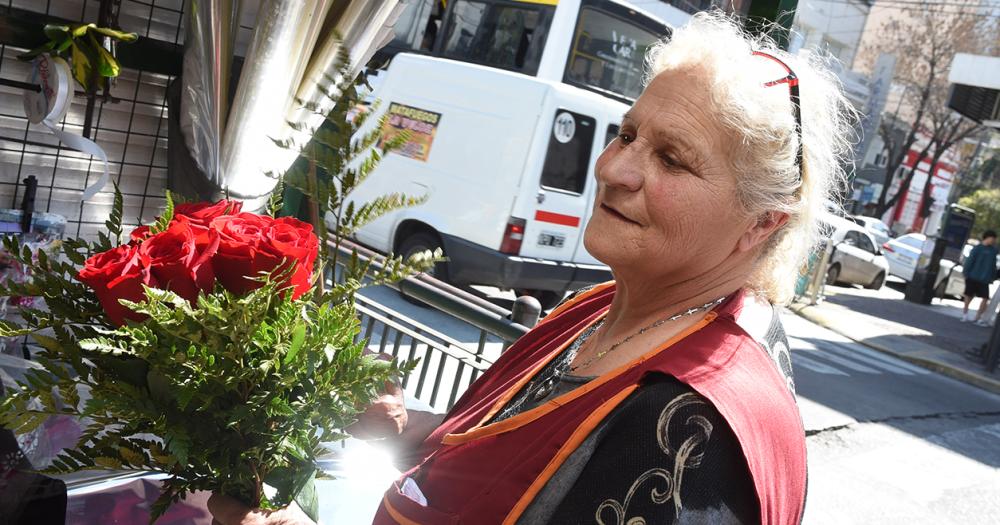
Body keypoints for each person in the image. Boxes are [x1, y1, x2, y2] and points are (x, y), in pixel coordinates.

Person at [208, 12, 857, 525]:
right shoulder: (605, 305)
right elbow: (521, 465)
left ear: (764, 221)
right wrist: (411, 427)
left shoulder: (692, 424)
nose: (614, 169)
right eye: (628, 135)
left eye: (673, 159)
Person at [961, 230, 999, 326]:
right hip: (973, 276)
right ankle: (965, 313)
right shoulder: (977, 249)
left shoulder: (993, 251)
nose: (994, 241)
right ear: (987, 237)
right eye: (993, 238)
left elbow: (993, 265)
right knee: (969, 296)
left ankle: (977, 317)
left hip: (985, 279)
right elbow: (970, 261)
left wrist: (992, 276)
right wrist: (966, 272)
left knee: (985, 298)